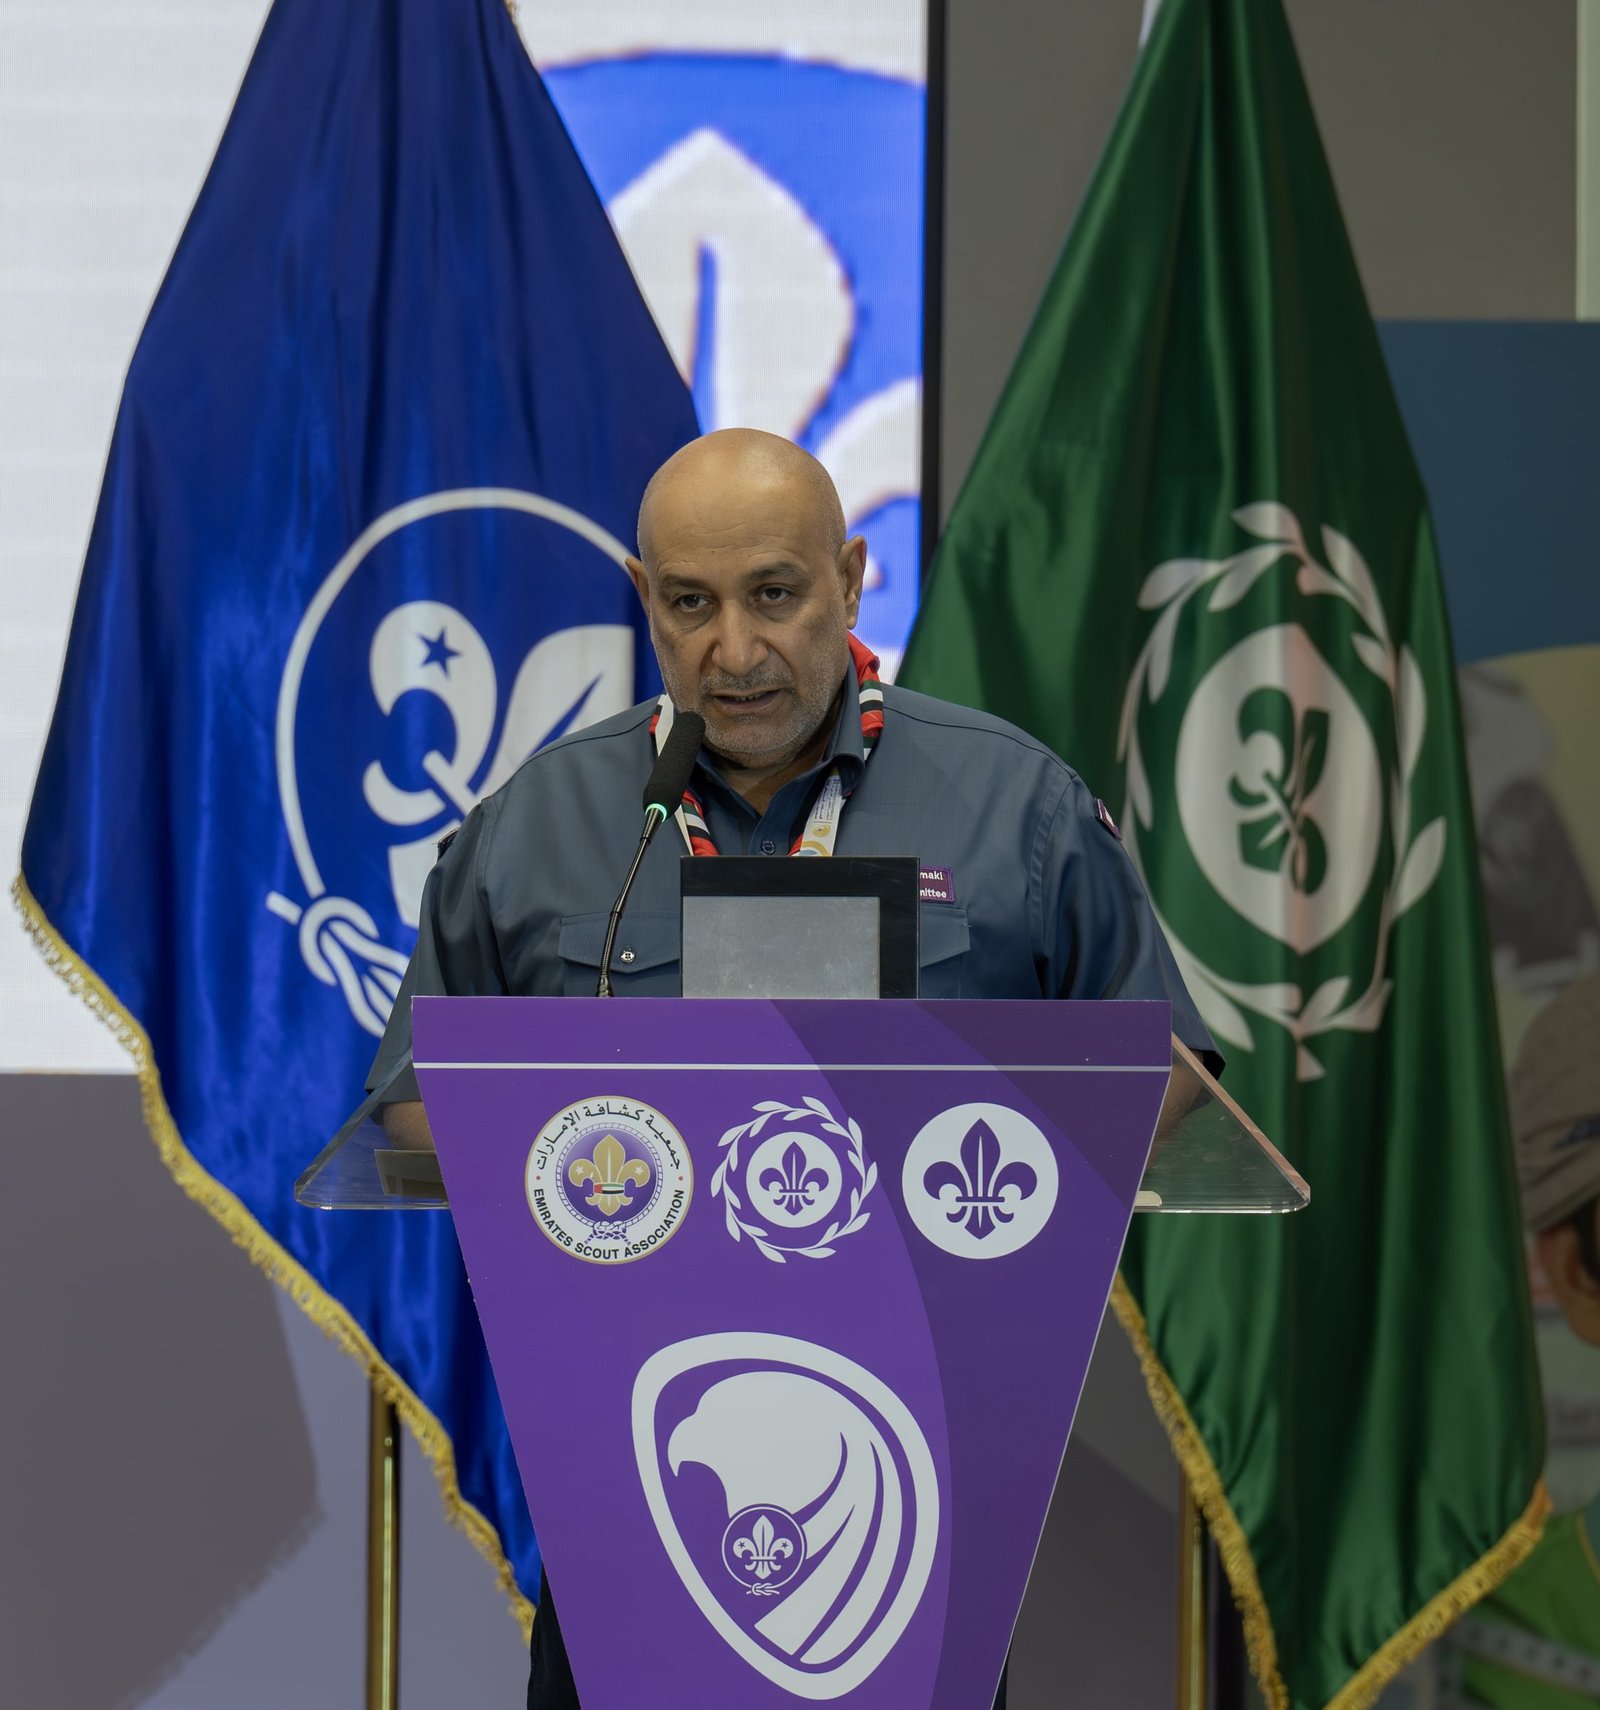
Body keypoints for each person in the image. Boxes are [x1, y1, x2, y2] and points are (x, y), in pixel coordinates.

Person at [367, 428, 1213, 1709]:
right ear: (643, 598)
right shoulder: (540, 826)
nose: (734, 649)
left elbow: (1167, 1066)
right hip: (634, 1480)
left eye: (774, 593)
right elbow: (417, 1102)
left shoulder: (1013, 809)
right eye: (689, 604)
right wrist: (597, 1198)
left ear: (851, 580)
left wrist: (987, 1208)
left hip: (915, 1484)